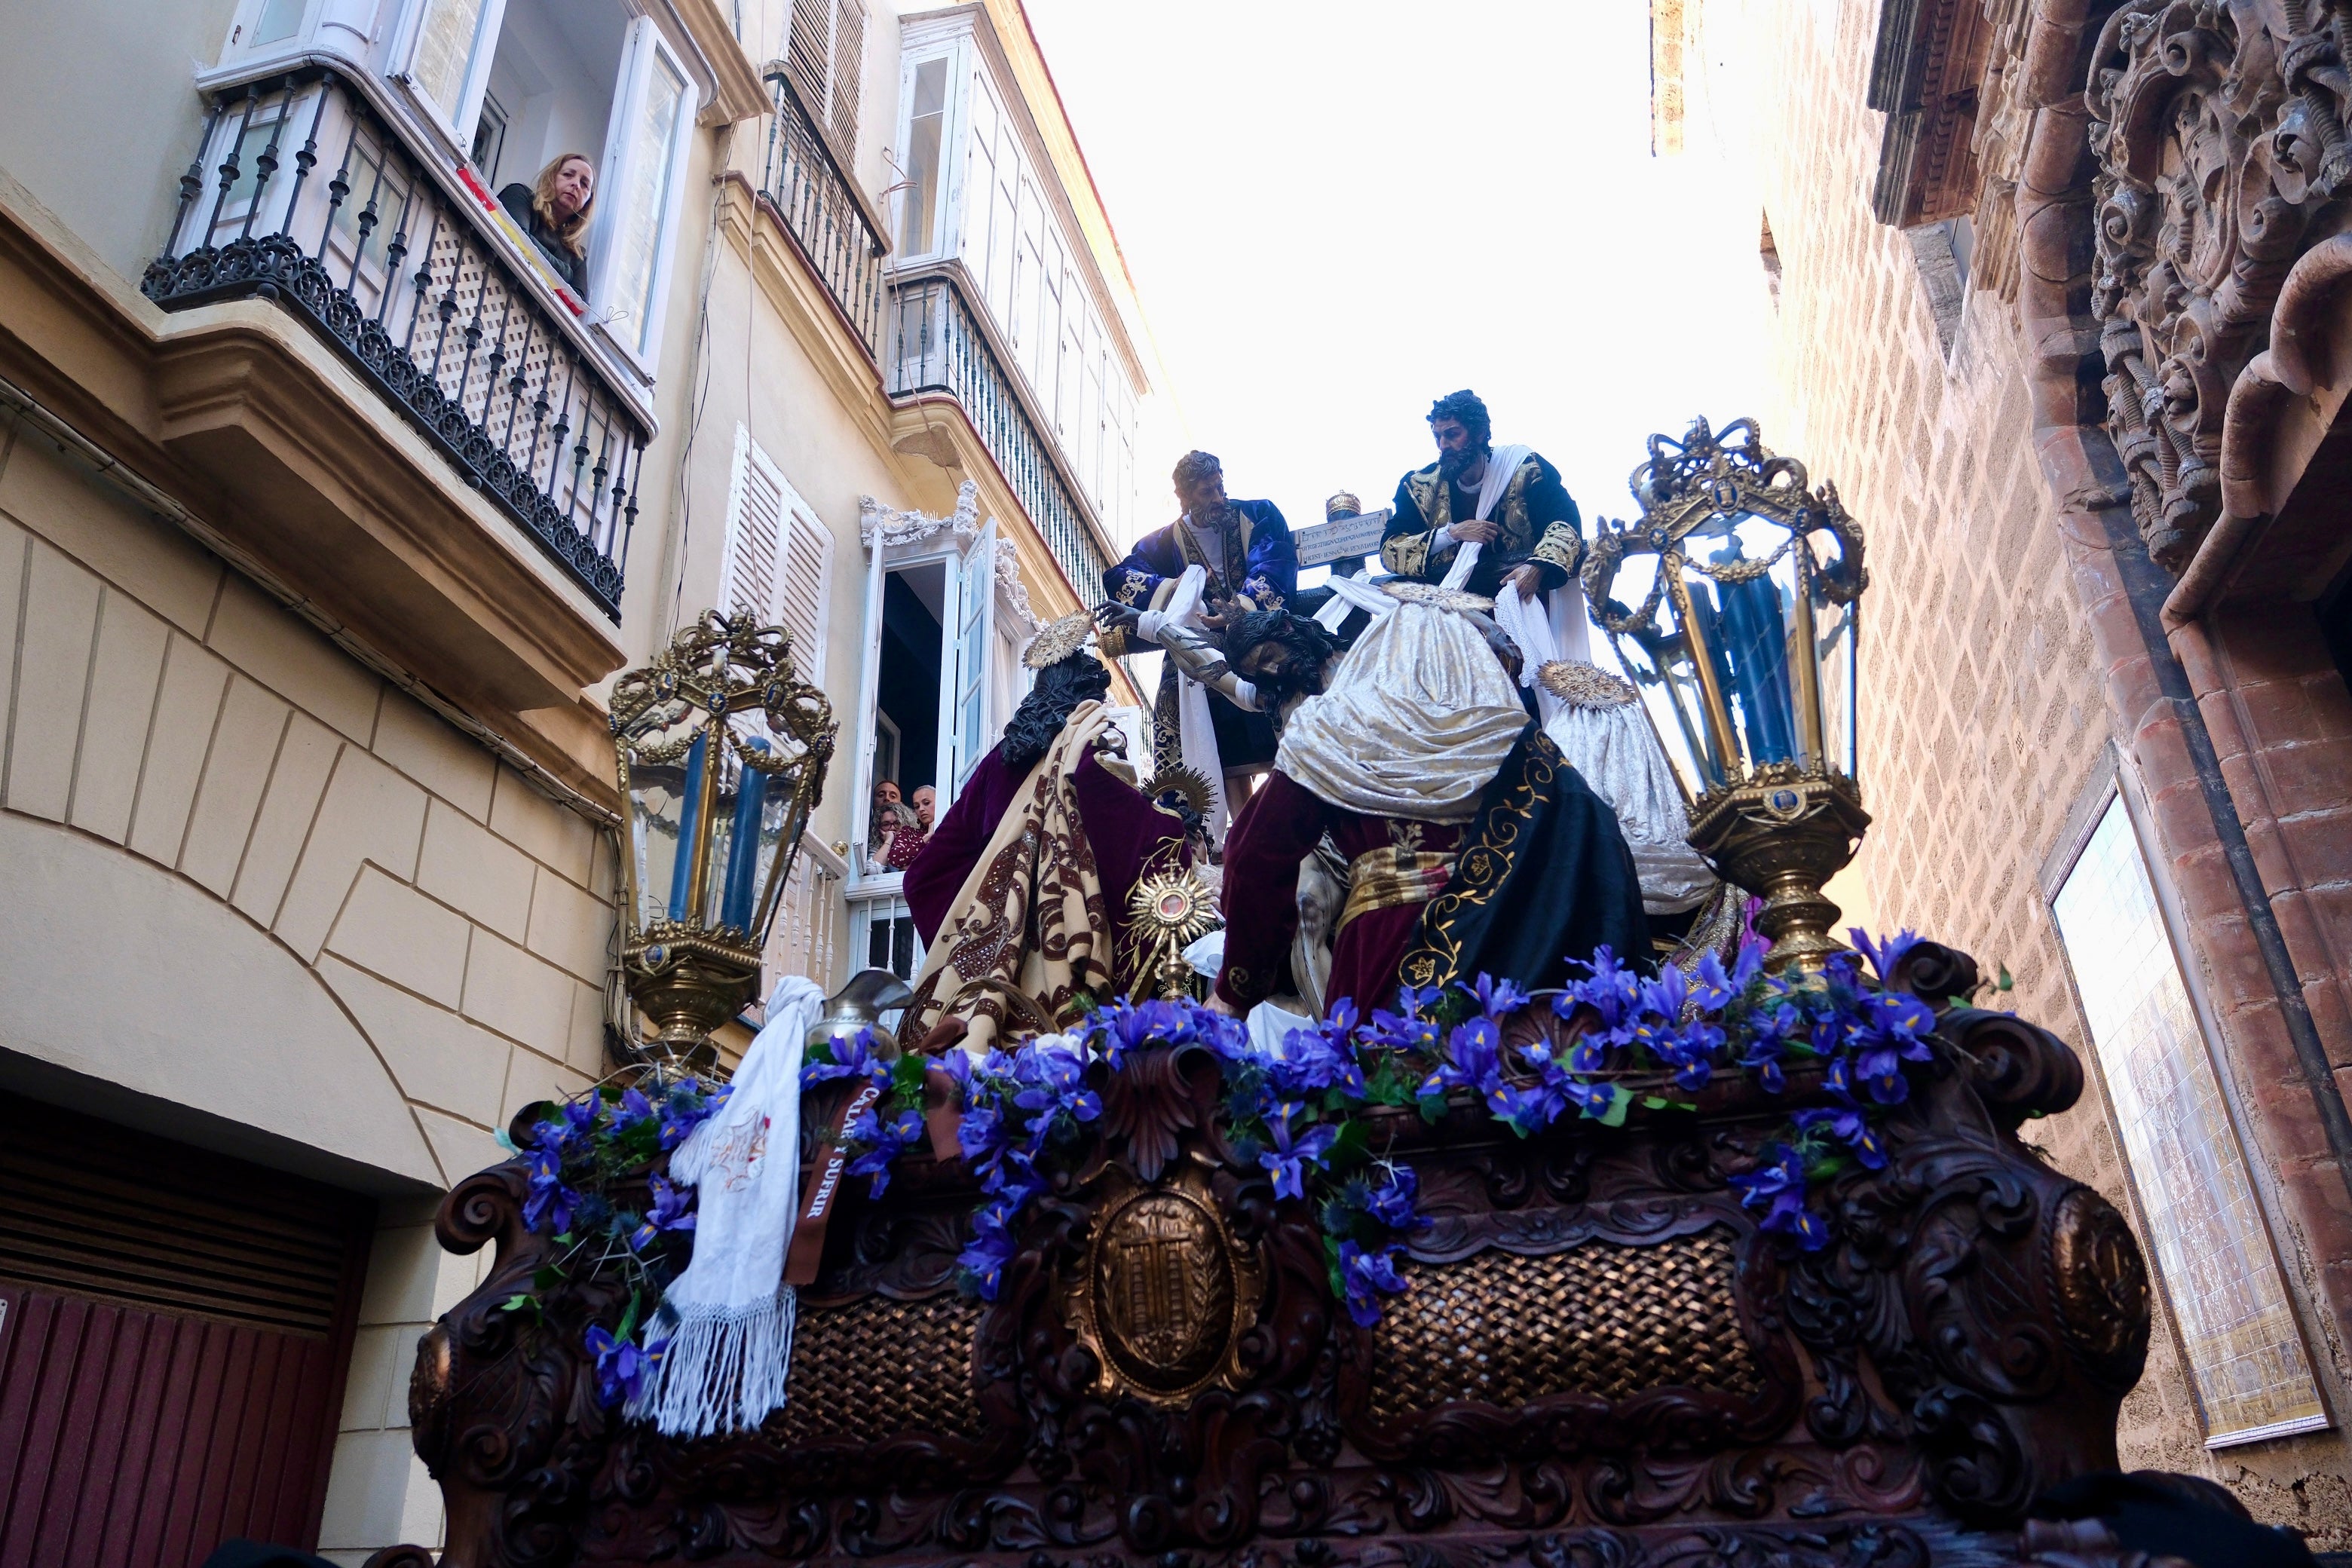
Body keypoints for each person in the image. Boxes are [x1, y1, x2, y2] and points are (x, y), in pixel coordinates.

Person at [1211, 592, 1648, 1018]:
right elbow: (1596, 838)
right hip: (1516, 942)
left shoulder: (1333, 728)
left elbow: (1254, 854)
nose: (1270, 669)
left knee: (1391, 1079)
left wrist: (1238, 986)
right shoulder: (1515, 740)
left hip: (1387, 950)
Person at [901, 614, 1197, 1052]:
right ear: (1085, 695)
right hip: (1059, 956)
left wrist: (967, 938)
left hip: (985, 968)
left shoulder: (997, 763)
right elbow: (1128, 831)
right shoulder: (1085, 751)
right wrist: (1174, 822)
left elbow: (926, 872)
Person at [1101, 452, 1297, 829]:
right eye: (1208, 492)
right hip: (1195, 651)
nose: (1219, 498)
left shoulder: (1258, 514)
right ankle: (1229, 829)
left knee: (1282, 707)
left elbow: (1274, 562)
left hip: (1255, 636)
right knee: (1195, 721)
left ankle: (1288, 813)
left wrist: (1238, 609)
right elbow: (1121, 577)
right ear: (1185, 498)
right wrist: (1183, 597)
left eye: (1220, 487)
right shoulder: (1161, 543)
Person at [1381, 390, 1581, 602]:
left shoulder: (1525, 469)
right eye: (1437, 437)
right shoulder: (1418, 487)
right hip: (1451, 613)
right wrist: (1452, 534)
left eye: (1452, 434)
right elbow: (1390, 551)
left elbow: (1565, 524)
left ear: (1479, 432)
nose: (1442, 446)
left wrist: (1538, 567)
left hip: (1523, 601)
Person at [498, 153, 594, 298]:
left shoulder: (577, 255)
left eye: (585, 184)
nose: (576, 184)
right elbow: (516, 239)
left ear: (588, 200)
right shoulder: (520, 196)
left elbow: (577, 300)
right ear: (552, 177)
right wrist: (566, 272)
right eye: (568, 175)